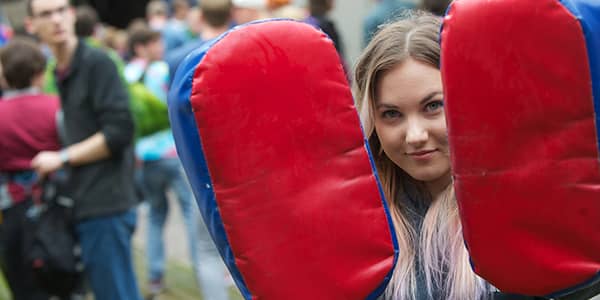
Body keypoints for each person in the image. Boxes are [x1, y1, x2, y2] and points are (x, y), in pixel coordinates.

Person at [353, 13, 493, 300]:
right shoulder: (359, 224)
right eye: (391, 114)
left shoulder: (520, 206)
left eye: (433, 106)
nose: (414, 135)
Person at [25, 0, 142, 299]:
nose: (56, 20)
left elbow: (119, 132)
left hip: (108, 203)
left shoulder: (96, 62)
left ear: (72, 14)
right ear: (32, 25)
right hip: (83, 202)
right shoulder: (57, 71)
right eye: (46, 14)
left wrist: (61, 158)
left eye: (61, 10)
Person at [0, 37, 60, 300]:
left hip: (10, 207)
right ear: (40, 73)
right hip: (56, 202)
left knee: (22, 283)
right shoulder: (57, 107)